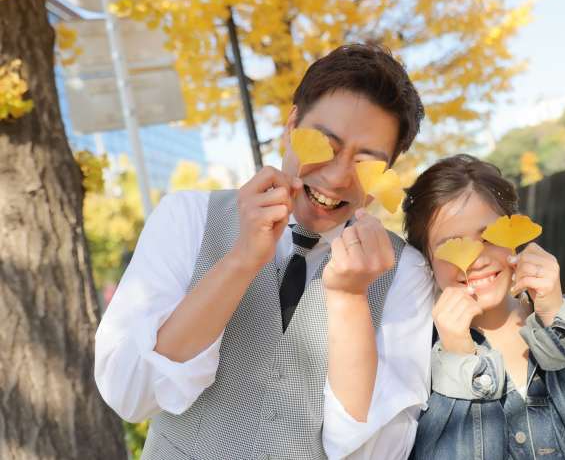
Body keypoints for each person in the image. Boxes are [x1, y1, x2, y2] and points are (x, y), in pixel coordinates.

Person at [95, 44, 435, 460]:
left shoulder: (406, 272)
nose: (337, 176)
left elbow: (378, 454)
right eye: (325, 144)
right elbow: (128, 394)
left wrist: (350, 301)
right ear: (292, 124)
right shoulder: (187, 217)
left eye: (366, 163)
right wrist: (240, 261)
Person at [402, 154, 565, 459]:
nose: (476, 260)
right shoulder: (417, 357)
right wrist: (459, 363)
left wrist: (556, 322)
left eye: (489, 237)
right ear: (423, 259)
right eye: (452, 246)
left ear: (514, 233)